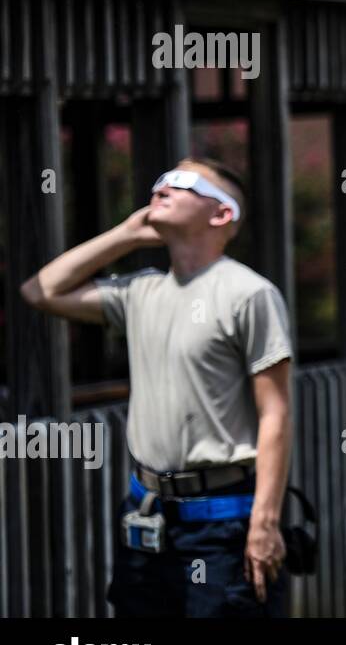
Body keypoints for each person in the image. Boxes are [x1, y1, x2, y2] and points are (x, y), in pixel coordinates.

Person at [21, 157, 293, 617]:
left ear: (221, 215)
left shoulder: (250, 294)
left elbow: (276, 414)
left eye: (183, 183)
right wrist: (126, 234)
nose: (163, 187)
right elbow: (40, 291)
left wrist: (264, 521)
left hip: (224, 520)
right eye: (161, 180)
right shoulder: (140, 292)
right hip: (146, 516)